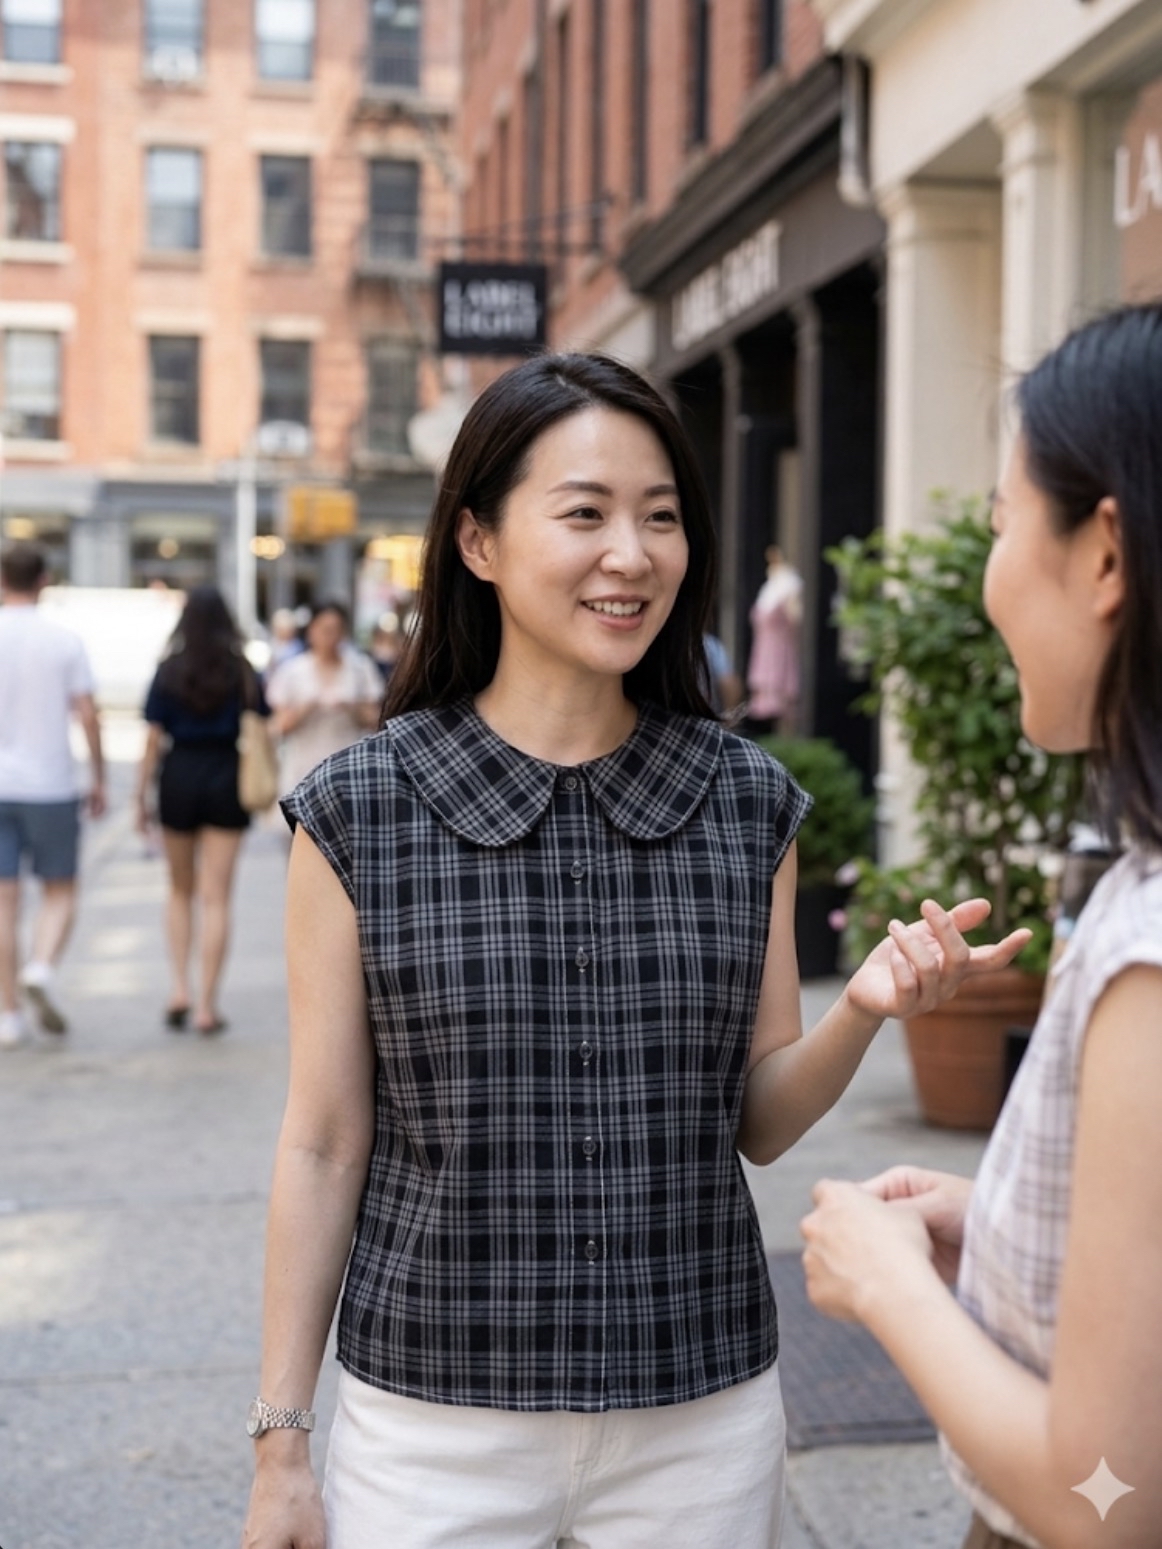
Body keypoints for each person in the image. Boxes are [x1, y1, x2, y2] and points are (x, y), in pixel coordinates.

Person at [241, 352, 1028, 1549]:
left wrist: (859, 1010)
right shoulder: (361, 809)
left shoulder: (742, 798)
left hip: (697, 1418)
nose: (633, 554)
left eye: (661, 517)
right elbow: (322, 1140)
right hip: (431, 1425)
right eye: (585, 513)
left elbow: (756, 1118)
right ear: (479, 542)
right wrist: (282, 1441)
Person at [799, 304, 1162, 1549]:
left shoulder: (1148, 943)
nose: (988, 571)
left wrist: (890, 1287)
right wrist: (1009, 1225)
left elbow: (1107, 1498)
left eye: (1004, 524)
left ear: (1105, 555)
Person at [136, 586, 269, 1035]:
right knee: (217, 897)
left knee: (179, 890)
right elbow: (263, 725)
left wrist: (139, 798)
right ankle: (207, 1005)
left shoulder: (168, 670)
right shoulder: (243, 671)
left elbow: (153, 741)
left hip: (178, 776)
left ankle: (179, 988)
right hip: (226, 777)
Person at [0, 543, 105, 1048]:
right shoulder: (64, 640)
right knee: (60, 890)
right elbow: (87, 712)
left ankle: (8, 1015)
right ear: (43, 579)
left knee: (4, 901)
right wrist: (100, 777)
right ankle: (40, 966)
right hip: (50, 784)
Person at [264, 600, 381, 796]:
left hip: (349, 768)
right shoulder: (292, 671)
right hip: (302, 770)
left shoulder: (360, 668)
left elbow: (376, 719)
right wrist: (306, 709)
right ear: (311, 630)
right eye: (325, 630)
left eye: (336, 630)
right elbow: (278, 725)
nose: (331, 637)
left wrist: (351, 708)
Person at [745, 545, 802, 734]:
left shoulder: (789, 584)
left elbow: (795, 617)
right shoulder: (768, 588)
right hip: (764, 649)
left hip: (779, 649)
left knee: (781, 702)